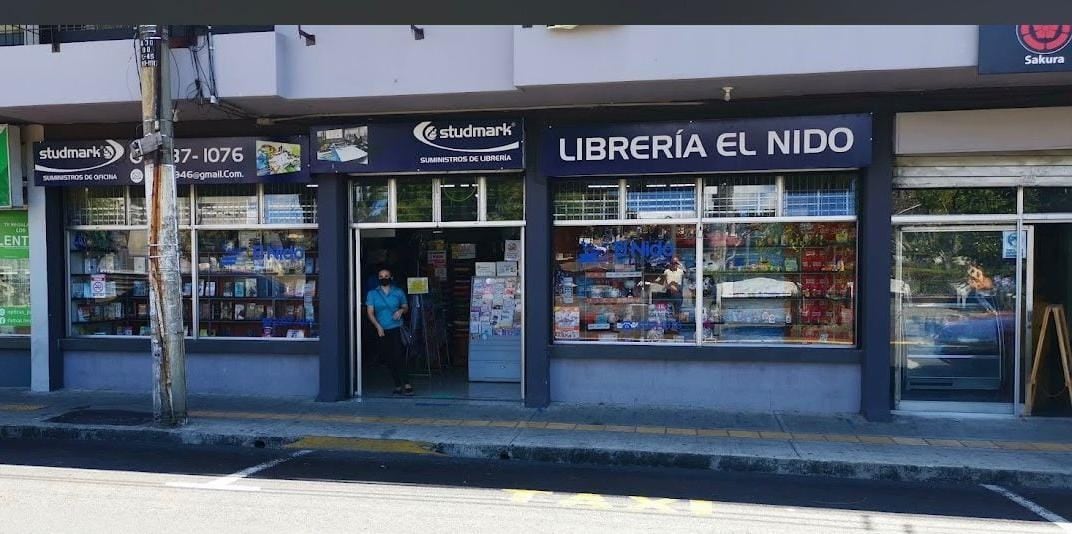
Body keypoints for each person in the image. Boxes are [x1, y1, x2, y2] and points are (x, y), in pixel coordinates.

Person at [366, 269, 412, 396]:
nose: (383, 278)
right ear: (378, 278)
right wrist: (377, 326)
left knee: (399, 356)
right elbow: (370, 312)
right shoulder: (372, 294)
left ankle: (407, 383)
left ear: (391, 277)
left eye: (386, 276)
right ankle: (397, 384)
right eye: (381, 276)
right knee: (388, 358)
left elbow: (406, 307)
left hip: (397, 328)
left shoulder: (398, 292)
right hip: (382, 330)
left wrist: (401, 311)